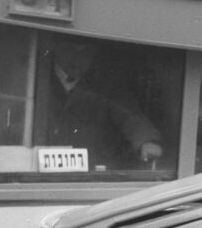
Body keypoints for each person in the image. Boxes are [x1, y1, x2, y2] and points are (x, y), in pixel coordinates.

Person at [44, 39, 163, 169]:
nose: (77, 58)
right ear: (55, 49)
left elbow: (130, 115)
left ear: (94, 53)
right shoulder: (36, 75)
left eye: (86, 52)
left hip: (88, 175)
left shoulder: (105, 85)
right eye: (69, 50)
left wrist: (146, 141)